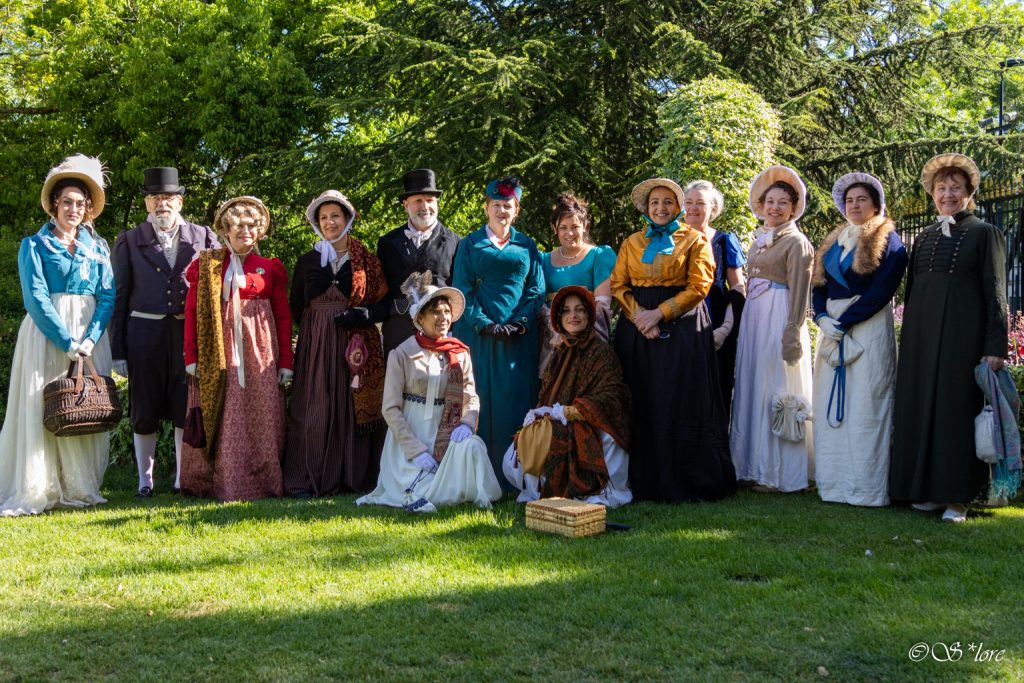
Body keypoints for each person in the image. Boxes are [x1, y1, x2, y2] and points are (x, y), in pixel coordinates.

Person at [891, 153, 1007, 523]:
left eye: (955, 188)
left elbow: (996, 292)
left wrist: (994, 347)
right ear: (932, 194)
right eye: (941, 189)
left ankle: (957, 498)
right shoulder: (923, 237)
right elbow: (911, 295)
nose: (947, 195)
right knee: (923, 408)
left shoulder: (984, 233)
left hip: (963, 340)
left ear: (969, 192)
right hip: (922, 341)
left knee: (955, 413)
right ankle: (926, 490)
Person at [0, 154, 114, 516]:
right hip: (47, 334)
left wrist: (91, 339)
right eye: (67, 202)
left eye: (80, 204)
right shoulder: (33, 246)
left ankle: (78, 485)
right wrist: (66, 342)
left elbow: (108, 294)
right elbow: (35, 298)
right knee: (43, 403)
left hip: (89, 332)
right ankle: (38, 486)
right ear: (54, 204)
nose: (74, 209)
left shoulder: (97, 247)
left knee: (82, 403)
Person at [611, 177, 735, 502]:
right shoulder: (632, 242)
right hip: (635, 328)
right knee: (641, 396)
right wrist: (640, 315)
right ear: (646, 208)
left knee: (676, 397)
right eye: (655, 203)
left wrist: (660, 314)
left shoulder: (694, 240)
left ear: (678, 207)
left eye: (667, 202)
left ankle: (682, 480)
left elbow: (699, 286)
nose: (661, 208)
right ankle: (640, 480)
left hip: (682, 329)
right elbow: (618, 285)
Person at [109, 166, 220, 498]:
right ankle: (146, 480)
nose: (162, 204)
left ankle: (181, 477)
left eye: (169, 197)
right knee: (144, 406)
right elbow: (120, 295)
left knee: (183, 404)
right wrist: (118, 350)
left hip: (188, 334)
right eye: (156, 197)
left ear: (180, 201)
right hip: (143, 333)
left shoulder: (203, 236)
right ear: (147, 203)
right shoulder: (129, 240)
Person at [357, 272, 502, 511]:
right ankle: (421, 491)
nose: (443, 317)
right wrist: (415, 451)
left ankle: (470, 494)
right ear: (420, 319)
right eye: (436, 311)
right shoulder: (402, 354)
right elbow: (390, 409)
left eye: (446, 311)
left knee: (474, 446)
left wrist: (467, 422)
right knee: (417, 484)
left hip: (447, 428)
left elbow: (470, 396)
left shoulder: (459, 353)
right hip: (410, 436)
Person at [179, 196, 293, 502]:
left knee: (263, 415)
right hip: (221, 351)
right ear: (226, 229)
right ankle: (226, 483)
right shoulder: (208, 266)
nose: (246, 231)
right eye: (239, 225)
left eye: (252, 225)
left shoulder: (270, 268)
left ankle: (263, 483)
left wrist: (286, 362)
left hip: (262, 352)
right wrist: (191, 356)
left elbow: (283, 316)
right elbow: (191, 313)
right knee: (227, 415)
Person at [282, 190, 389, 496]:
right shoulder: (307, 261)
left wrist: (362, 316)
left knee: (348, 405)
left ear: (348, 219)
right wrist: (316, 335)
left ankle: (350, 476)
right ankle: (309, 474)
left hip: (354, 344)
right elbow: (295, 307)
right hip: (316, 344)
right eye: (324, 217)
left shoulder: (365, 259)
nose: (330, 222)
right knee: (314, 405)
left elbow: (383, 302)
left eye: (335, 216)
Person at [811, 173, 907, 507]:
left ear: (876, 205)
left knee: (866, 405)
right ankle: (834, 485)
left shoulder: (890, 240)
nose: (854, 205)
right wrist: (821, 317)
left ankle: (866, 489)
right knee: (831, 403)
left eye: (861, 200)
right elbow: (818, 284)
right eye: (849, 200)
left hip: (866, 324)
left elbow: (883, 290)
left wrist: (845, 320)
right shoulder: (834, 240)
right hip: (832, 328)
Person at [503, 286, 632, 507]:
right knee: (520, 445)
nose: (573, 316)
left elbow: (614, 396)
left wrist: (571, 411)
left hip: (592, 423)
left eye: (580, 310)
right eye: (566, 311)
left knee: (558, 437)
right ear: (558, 317)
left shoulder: (601, 352)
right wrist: (542, 413)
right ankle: (545, 491)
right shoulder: (560, 352)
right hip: (560, 421)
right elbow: (548, 396)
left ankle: (592, 491)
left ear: (589, 315)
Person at [452, 176, 545, 482]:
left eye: (508, 206)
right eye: (497, 205)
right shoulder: (470, 244)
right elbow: (462, 289)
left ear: (516, 210)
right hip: (480, 334)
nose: (502, 211)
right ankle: (480, 475)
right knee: (479, 397)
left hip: (518, 336)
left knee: (516, 397)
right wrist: (484, 323)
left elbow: (536, 289)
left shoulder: (526, 244)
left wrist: (521, 321)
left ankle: (517, 475)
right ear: (486, 208)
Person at [730, 166, 815, 494]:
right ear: (761, 205)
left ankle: (779, 473)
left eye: (783, 203)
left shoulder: (797, 242)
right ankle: (750, 465)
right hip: (755, 316)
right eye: (770, 202)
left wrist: (792, 329)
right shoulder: (760, 241)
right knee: (754, 384)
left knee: (775, 383)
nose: (775, 208)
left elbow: (800, 289)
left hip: (779, 315)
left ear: (793, 208)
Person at [377, 169, 461, 356]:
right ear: (406, 205)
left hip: (440, 335)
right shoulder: (387, 243)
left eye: (430, 200)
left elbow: (458, 290)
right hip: (398, 336)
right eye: (418, 201)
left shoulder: (456, 242)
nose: (425, 206)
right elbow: (381, 293)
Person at [683, 180, 746, 420]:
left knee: (714, 389)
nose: (693, 208)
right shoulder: (672, 239)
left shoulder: (723, 241)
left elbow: (738, 286)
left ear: (713, 209)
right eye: (688, 202)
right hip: (679, 321)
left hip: (714, 322)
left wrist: (726, 328)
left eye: (700, 203)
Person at [538, 192, 616, 375]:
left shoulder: (600, 256)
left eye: (575, 226)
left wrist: (575, 332)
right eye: (563, 227)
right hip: (552, 339)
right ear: (554, 228)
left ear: (585, 226)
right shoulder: (543, 260)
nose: (569, 233)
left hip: (588, 336)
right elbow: (538, 301)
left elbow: (602, 304)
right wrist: (556, 329)